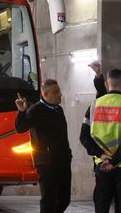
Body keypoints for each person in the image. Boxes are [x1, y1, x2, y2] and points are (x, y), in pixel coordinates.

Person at [15, 79, 72, 213]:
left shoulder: (59, 110)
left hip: (63, 160)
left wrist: (67, 154)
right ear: (45, 94)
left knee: (65, 199)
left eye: (59, 91)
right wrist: (22, 112)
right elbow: (20, 128)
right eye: (55, 92)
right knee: (48, 199)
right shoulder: (36, 110)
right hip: (45, 161)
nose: (60, 94)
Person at [89, 69, 121, 213]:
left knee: (101, 206)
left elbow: (84, 137)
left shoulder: (94, 105)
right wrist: (114, 161)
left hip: (102, 166)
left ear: (106, 84)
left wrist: (101, 155)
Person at [79, 62, 120, 213]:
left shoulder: (101, 105)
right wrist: (98, 76)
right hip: (118, 162)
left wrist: (102, 156)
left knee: (102, 202)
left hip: (103, 161)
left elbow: (83, 136)